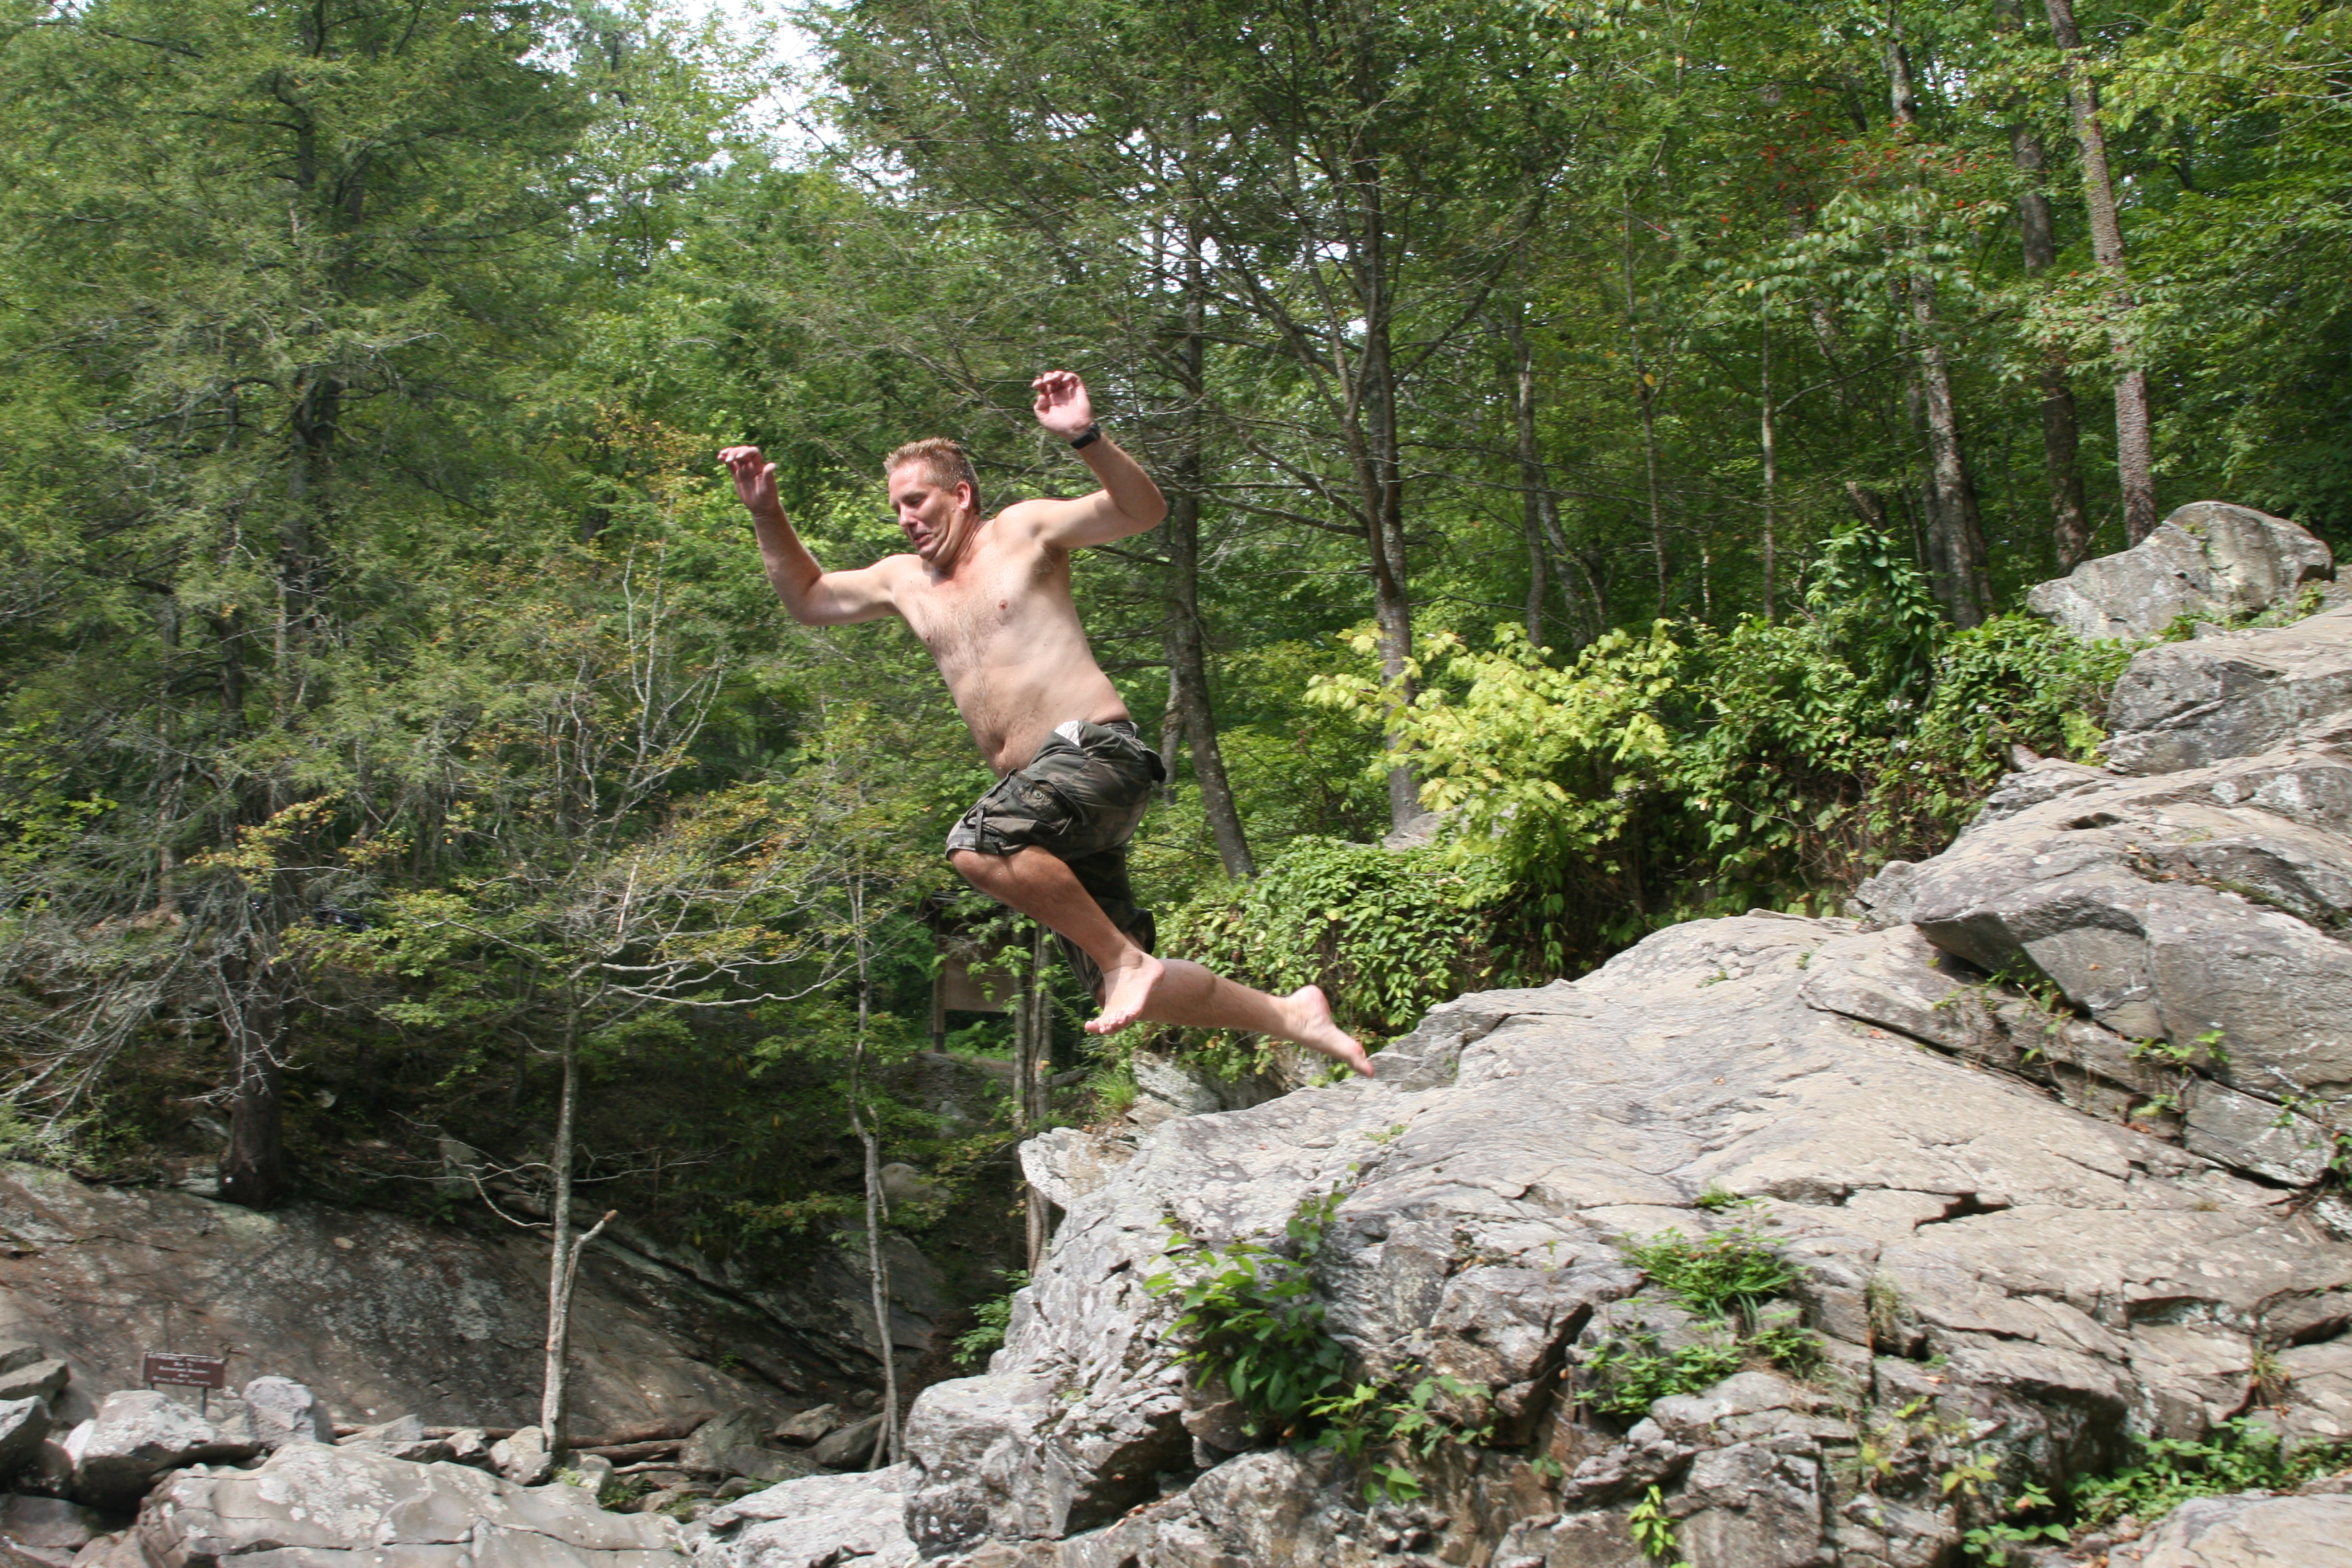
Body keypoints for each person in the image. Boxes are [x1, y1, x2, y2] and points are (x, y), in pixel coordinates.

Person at [720, 370, 1373, 1077]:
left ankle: (1125, 961)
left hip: (1096, 754)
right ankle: (1290, 1015)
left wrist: (1085, 437)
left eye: (916, 501)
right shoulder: (902, 580)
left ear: (960, 495)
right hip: (1046, 803)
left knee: (978, 843)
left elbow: (1140, 510)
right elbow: (810, 598)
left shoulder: (1021, 531)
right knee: (1118, 987)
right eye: (897, 508)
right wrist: (766, 512)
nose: (905, 519)